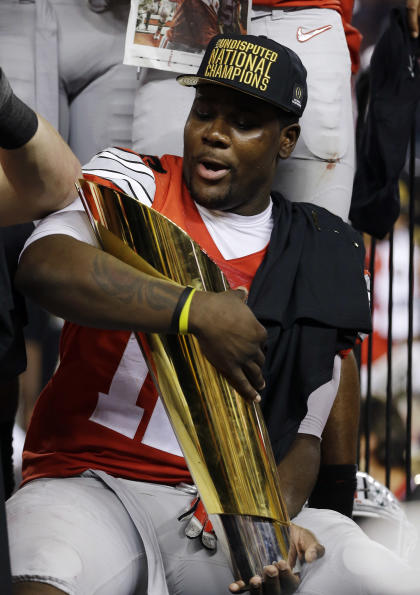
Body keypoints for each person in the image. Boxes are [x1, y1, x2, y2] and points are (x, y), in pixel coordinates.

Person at [8, 33, 417, 595]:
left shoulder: (322, 250)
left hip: (229, 508)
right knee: (45, 573)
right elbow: (43, 266)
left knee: (377, 577)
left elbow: (308, 432)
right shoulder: (135, 180)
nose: (215, 134)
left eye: (245, 122)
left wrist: (269, 520)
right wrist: (192, 311)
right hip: (92, 481)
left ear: (286, 140)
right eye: (205, 111)